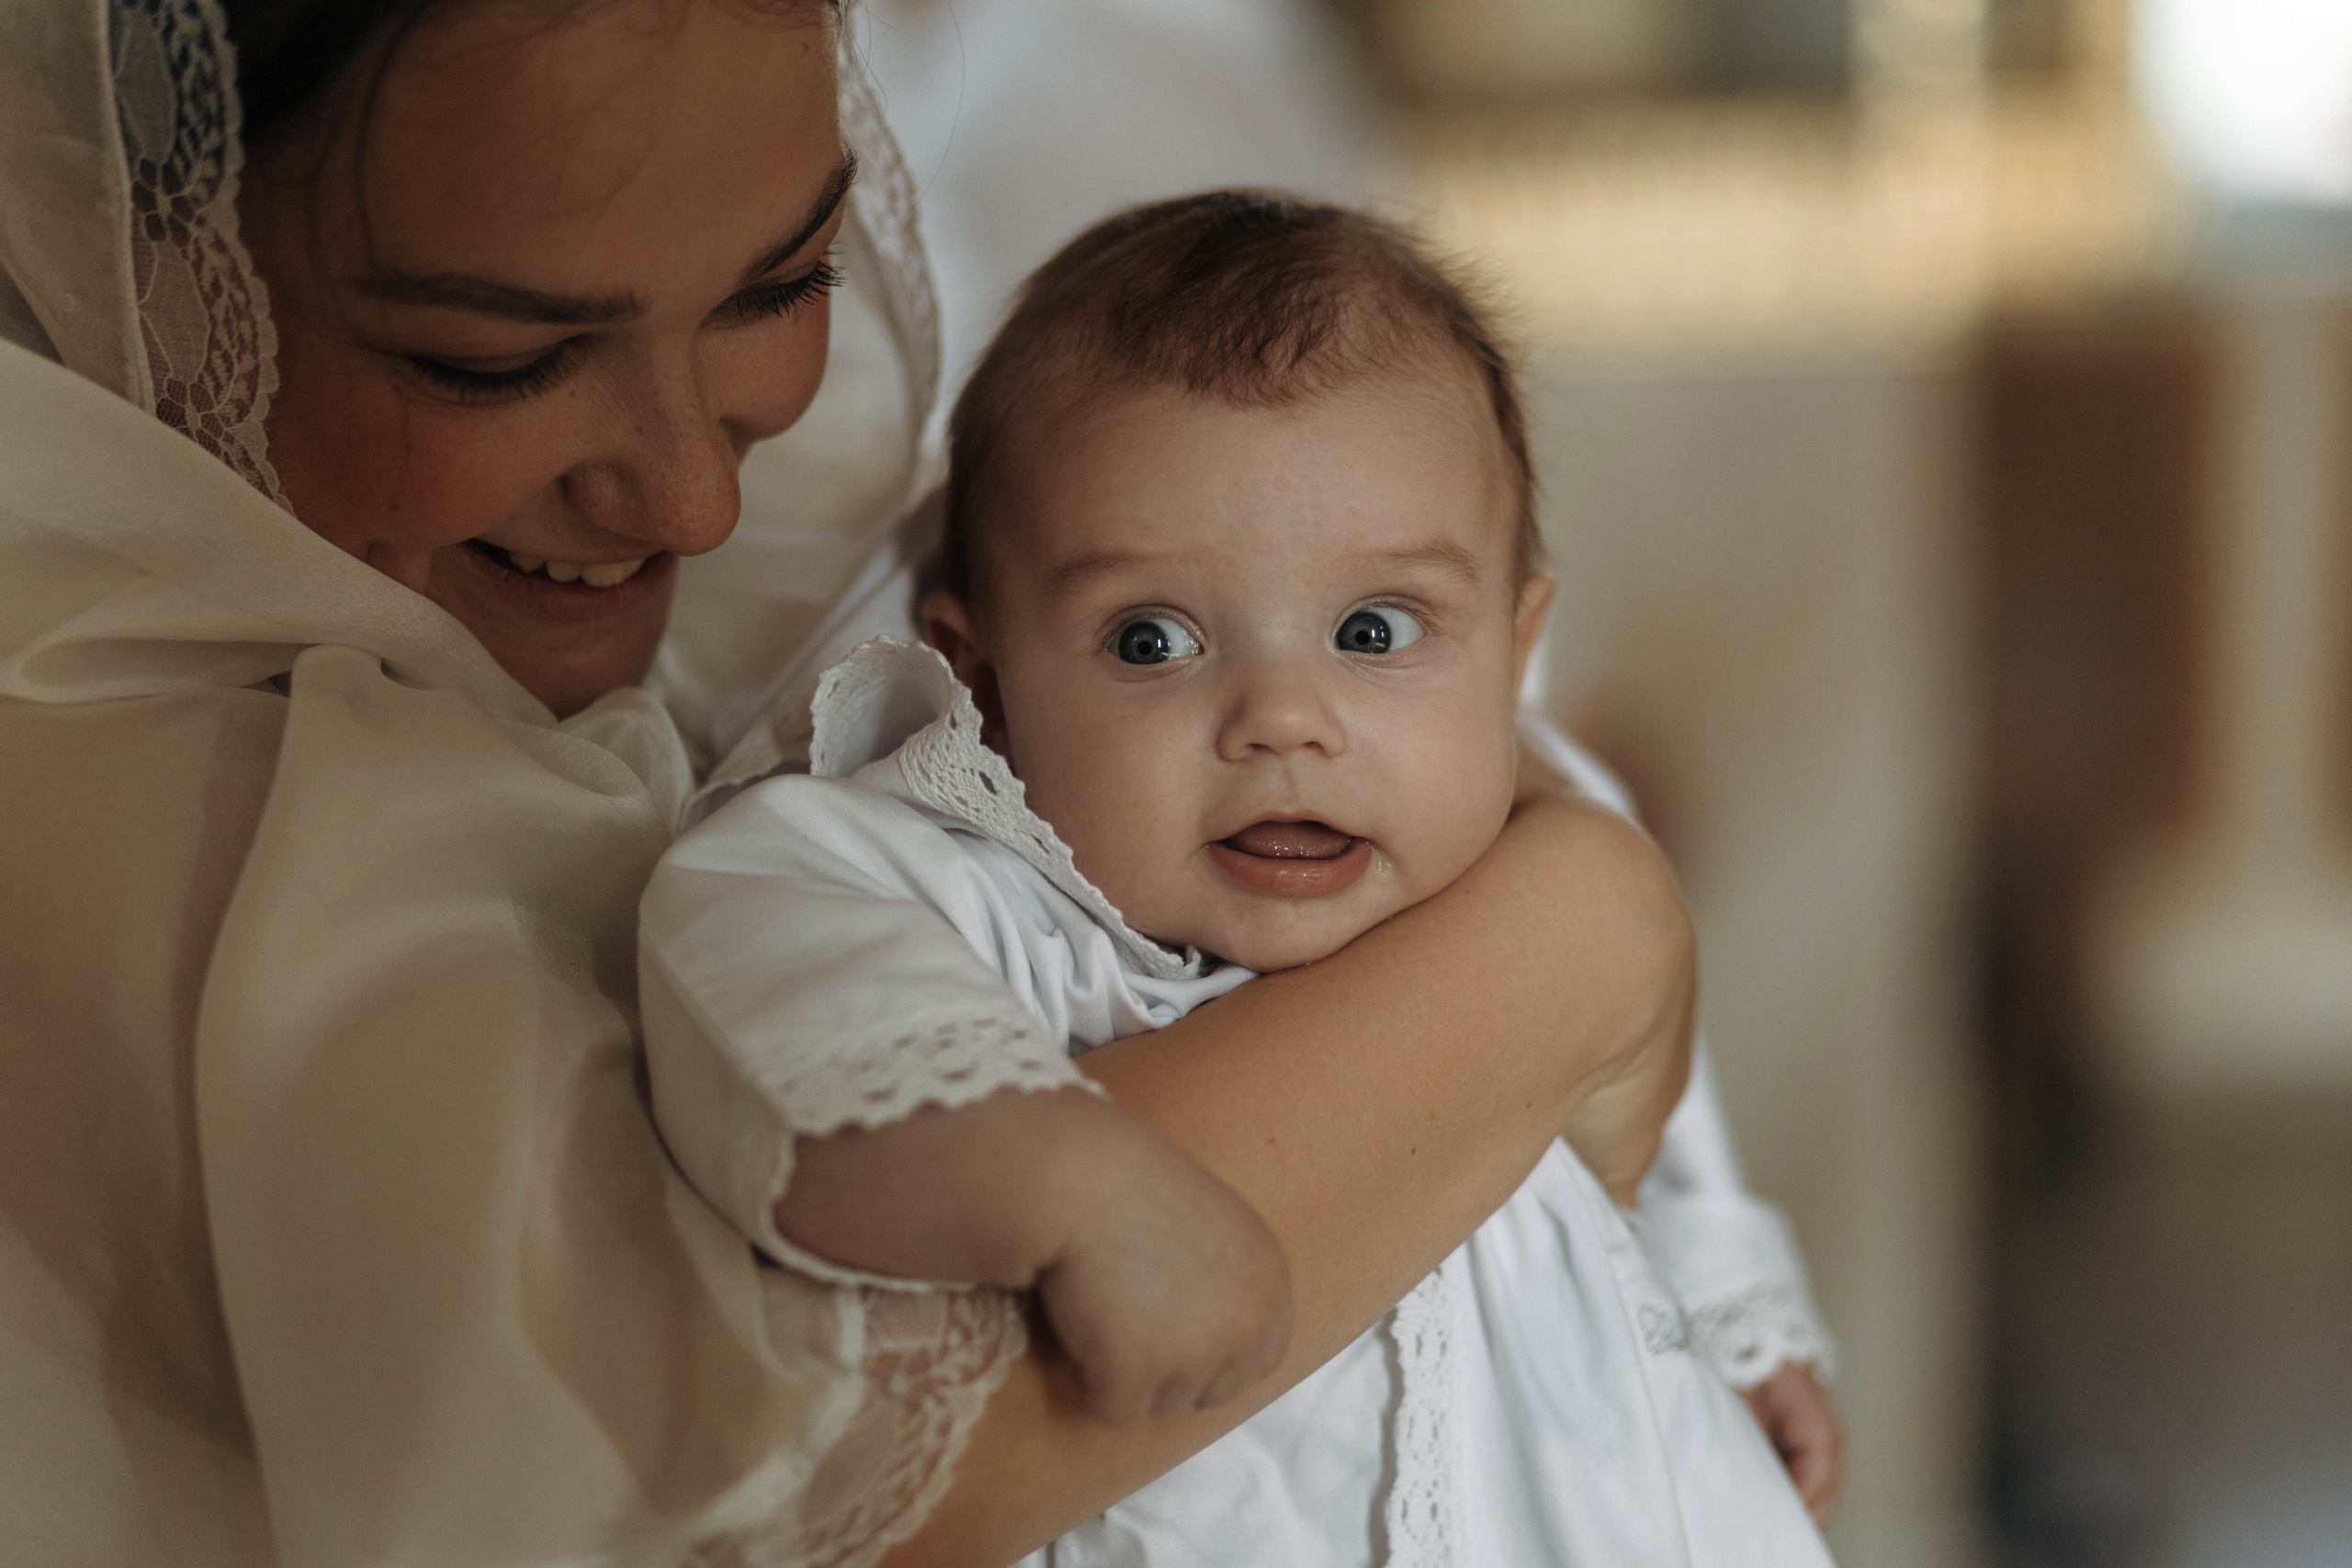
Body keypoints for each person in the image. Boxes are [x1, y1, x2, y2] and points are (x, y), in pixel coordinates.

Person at [0, 2, 1817, 1564]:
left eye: (781, 282)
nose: (699, 507)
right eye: (499, 358)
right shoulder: (150, 768)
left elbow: (1651, 1109)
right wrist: (1582, 937)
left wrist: (1733, 1296)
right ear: (135, 239)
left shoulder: (837, 574)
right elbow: (855, 1395)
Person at [639, 192, 1834, 1568]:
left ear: (1517, 652)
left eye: (1374, 630)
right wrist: (1077, 1191)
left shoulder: (1531, 833)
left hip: (1583, 1491)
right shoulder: (963, 886)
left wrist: (1739, 1313)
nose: (1281, 716)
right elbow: (770, 987)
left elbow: (1663, 1137)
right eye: (1151, 641)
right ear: (981, 675)